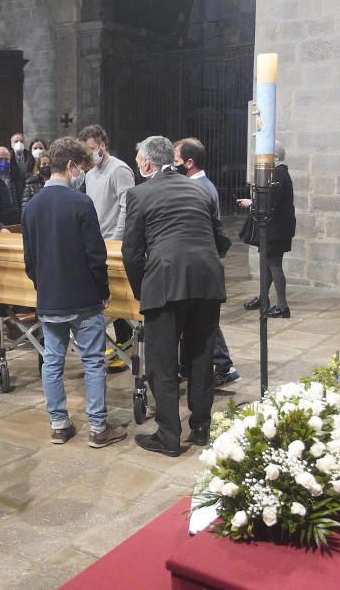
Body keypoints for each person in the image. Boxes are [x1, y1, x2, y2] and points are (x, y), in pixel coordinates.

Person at [122, 136, 225, 456]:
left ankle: (168, 436)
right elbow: (220, 240)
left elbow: (131, 253)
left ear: (148, 164)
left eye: (139, 160)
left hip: (165, 284)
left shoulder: (140, 193)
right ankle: (201, 427)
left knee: (162, 363)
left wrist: (143, 290)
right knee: (200, 356)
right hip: (207, 282)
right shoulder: (199, 188)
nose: (138, 165)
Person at [22, 137, 128, 448]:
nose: (82, 173)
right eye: (80, 168)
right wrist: (103, 290)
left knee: (52, 359)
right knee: (93, 360)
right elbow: (96, 256)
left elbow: (30, 261)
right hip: (83, 297)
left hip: (50, 297)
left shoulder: (32, 207)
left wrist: (45, 286)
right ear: (70, 167)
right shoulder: (81, 203)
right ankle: (97, 427)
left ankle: (58, 424)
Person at [173, 137, 239, 387]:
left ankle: (223, 365)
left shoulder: (200, 188)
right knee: (197, 318)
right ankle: (191, 365)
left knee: (205, 320)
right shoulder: (198, 185)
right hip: (200, 260)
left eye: (176, 161)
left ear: (189, 162)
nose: (172, 165)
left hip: (201, 261)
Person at [79, 123, 136, 364]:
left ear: (102, 145)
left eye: (92, 148)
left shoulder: (119, 169)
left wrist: (117, 240)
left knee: (118, 295)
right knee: (102, 297)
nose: (89, 154)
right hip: (96, 241)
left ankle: (125, 340)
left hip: (114, 240)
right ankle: (107, 342)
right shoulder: (90, 173)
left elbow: (127, 205)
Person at [238, 142, 297, 317]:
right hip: (275, 228)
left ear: (275, 156)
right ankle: (264, 299)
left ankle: (283, 306)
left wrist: (251, 204)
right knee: (268, 265)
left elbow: (269, 203)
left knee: (274, 265)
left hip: (276, 229)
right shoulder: (278, 172)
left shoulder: (278, 173)